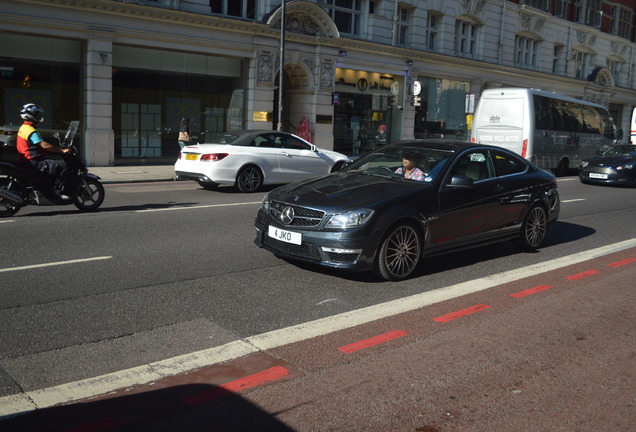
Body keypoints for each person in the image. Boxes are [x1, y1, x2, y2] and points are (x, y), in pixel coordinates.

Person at [16, 103, 71, 199]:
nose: (40, 116)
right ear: (31, 115)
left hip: (28, 161)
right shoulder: (30, 131)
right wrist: (61, 151)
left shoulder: (24, 128)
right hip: (34, 162)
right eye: (37, 114)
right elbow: (44, 145)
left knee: (52, 164)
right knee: (63, 166)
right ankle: (57, 192)